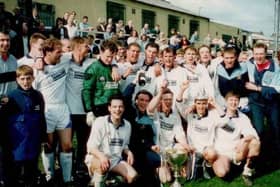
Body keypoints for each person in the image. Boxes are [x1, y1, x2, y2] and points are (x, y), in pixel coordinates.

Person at [34, 38, 73, 185]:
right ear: (47, 52)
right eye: (58, 52)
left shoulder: (64, 60)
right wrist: (38, 58)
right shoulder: (38, 70)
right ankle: (50, 175)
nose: (61, 54)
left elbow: (78, 52)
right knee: (48, 145)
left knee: (67, 145)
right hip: (47, 110)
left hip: (62, 108)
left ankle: (67, 178)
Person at [1, 65, 46, 187]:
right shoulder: (10, 97)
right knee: (14, 172)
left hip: (33, 140)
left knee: (31, 171)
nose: (25, 82)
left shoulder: (38, 96)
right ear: (17, 79)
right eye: (22, 79)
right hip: (17, 142)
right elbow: (3, 121)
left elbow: (41, 117)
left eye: (28, 78)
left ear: (33, 78)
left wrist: (44, 137)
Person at [85, 95, 138, 187]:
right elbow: (91, 148)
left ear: (124, 108)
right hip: (97, 158)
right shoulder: (100, 122)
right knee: (102, 167)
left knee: (133, 176)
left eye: (120, 107)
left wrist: (129, 152)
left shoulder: (127, 125)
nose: (117, 109)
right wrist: (102, 157)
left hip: (115, 161)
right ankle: (97, 182)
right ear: (109, 108)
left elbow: (124, 145)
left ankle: (110, 180)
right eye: (114, 107)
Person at [209, 91, 261, 186]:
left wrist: (243, 140)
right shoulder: (216, 113)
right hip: (221, 153)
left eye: (236, 100)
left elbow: (253, 134)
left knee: (255, 143)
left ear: (239, 102)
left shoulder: (243, 117)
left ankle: (247, 172)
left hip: (236, 153)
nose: (233, 103)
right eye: (231, 100)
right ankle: (223, 165)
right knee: (222, 173)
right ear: (225, 101)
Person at [245, 43, 280, 157]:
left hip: (272, 102)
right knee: (258, 130)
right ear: (253, 53)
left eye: (261, 54)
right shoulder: (248, 64)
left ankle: (274, 155)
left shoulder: (275, 67)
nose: (258, 56)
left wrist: (257, 88)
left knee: (275, 128)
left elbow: (277, 89)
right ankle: (258, 155)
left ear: (266, 53)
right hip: (256, 103)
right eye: (256, 54)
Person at [82, 40, 119, 124]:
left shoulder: (113, 67)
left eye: (112, 57)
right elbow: (87, 90)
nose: (109, 59)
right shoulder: (93, 68)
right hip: (99, 107)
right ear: (101, 52)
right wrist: (89, 110)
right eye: (107, 56)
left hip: (114, 107)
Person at [213, 47, 249, 112]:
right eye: (226, 58)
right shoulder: (217, 68)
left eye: (232, 58)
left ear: (236, 57)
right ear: (223, 57)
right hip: (223, 103)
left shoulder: (244, 67)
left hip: (241, 103)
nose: (229, 61)